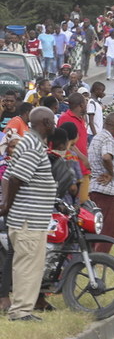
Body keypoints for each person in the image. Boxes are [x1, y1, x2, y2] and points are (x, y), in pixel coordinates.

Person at [1, 107, 57, 321]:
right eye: (53, 120)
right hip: (28, 219)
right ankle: (21, 312)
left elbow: (7, 175)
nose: (55, 124)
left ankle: (22, 309)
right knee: (28, 267)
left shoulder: (27, 142)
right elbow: (16, 179)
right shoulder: (33, 145)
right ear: (45, 122)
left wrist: (7, 203)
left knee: (25, 264)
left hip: (27, 217)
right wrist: (7, 205)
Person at [87, 112, 114, 253]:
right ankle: (100, 258)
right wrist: (111, 174)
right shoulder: (107, 138)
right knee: (110, 229)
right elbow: (107, 157)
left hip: (95, 188)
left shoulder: (98, 137)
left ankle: (91, 256)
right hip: (105, 191)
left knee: (97, 227)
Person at [57, 93, 90, 203]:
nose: (86, 106)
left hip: (83, 168)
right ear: (81, 105)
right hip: (72, 167)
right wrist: (83, 157)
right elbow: (66, 143)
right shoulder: (66, 118)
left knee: (83, 202)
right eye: (85, 103)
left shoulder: (81, 119)